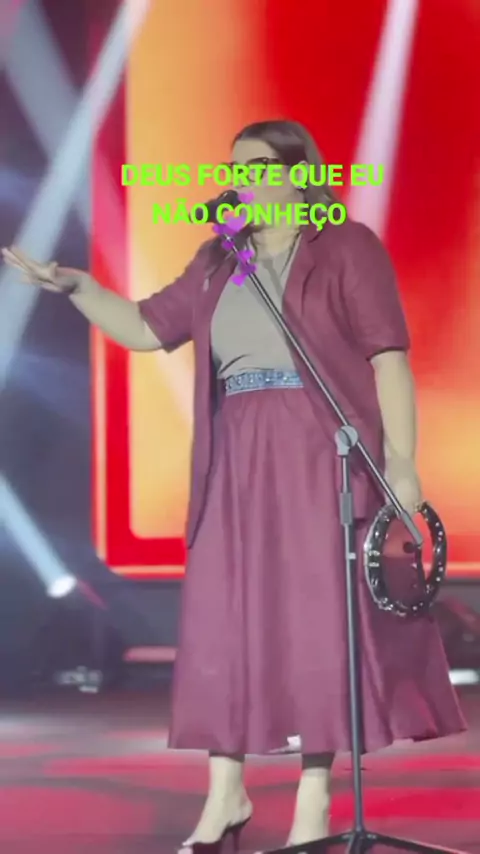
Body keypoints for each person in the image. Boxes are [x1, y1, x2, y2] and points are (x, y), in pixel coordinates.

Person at [2, 119, 466, 853]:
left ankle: (314, 802)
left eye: (255, 166)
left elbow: (388, 357)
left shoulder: (344, 247)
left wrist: (402, 462)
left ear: (298, 175)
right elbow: (146, 328)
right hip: (236, 453)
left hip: (320, 447)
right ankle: (226, 795)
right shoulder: (221, 258)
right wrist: (77, 287)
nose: (239, 178)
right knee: (229, 620)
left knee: (317, 624)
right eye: (234, 167)